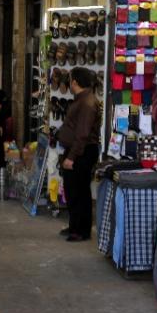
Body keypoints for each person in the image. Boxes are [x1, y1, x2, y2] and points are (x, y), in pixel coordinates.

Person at [56, 68, 101, 242]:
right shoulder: (83, 99)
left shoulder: (87, 103)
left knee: (79, 191)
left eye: (70, 79)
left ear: (74, 81)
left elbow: (82, 133)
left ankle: (81, 230)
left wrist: (71, 157)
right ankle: (75, 225)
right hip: (78, 150)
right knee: (73, 189)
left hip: (82, 151)